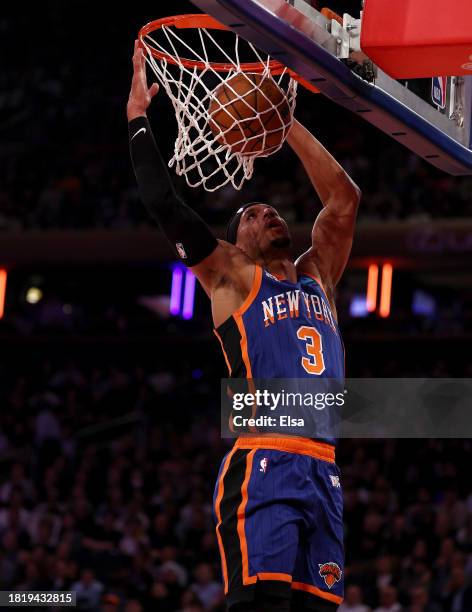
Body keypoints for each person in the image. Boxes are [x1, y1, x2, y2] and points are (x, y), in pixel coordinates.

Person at [127, 38, 360, 612]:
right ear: (237, 240)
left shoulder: (317, 277)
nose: (268, 213)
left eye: (272, 209)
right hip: (265, 462)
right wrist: (137, 117)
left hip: (324, 470)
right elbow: (164, 203)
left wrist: (285, 123)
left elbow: (344, 200)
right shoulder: (232, 278)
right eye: (253, 215)